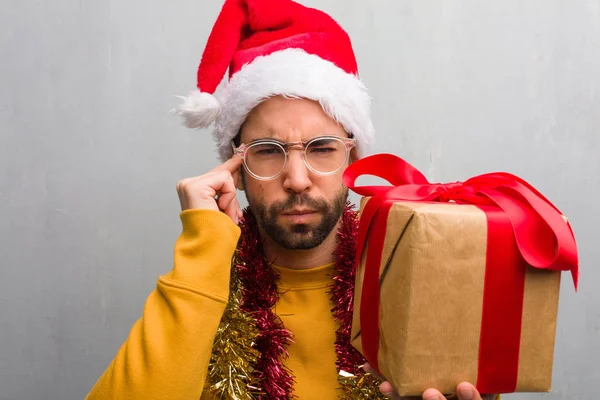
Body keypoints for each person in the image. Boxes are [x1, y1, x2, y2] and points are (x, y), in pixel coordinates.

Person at [86, 0, 498, 399]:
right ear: (234, 167)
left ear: (352, 158)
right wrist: (203, 250)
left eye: (321, 148)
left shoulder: (410, 278)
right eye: (267, 150)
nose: (297, 180)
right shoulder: (205, 281)